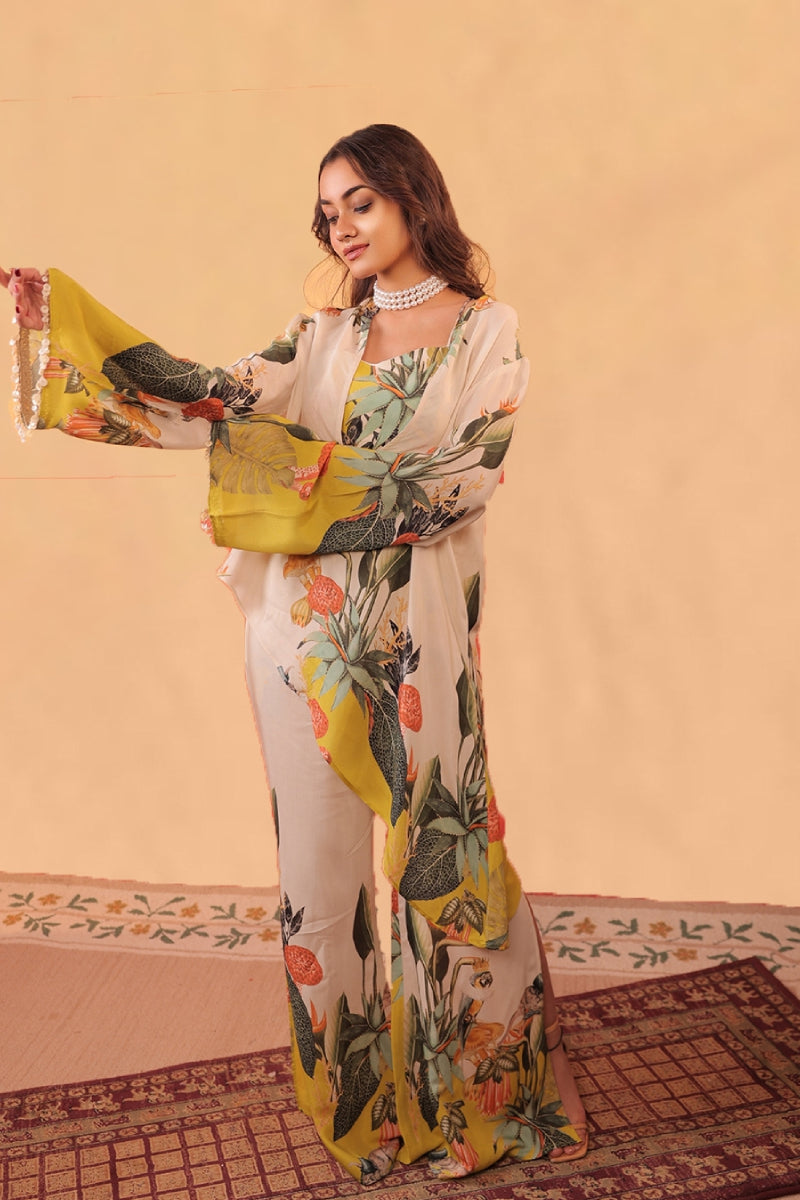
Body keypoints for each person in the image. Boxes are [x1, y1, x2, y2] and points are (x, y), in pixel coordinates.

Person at [4, 124, 587, 1185]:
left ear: (413, 196)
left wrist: (296, 490)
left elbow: (462, 481)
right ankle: (360, 1110)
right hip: (295, 639)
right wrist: (64, 317)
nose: (343, 227)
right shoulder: (317, 338)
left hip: (417, 645)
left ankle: (476, 1106)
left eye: (360, 202)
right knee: (315, 881)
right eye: (328, 213)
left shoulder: (485, 332)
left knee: (445, 858)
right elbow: (205, 399)